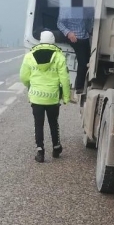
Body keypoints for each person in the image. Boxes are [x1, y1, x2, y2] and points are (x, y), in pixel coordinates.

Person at [20, 30, 71, 163]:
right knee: (53, 123)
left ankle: (40, 151)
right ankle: (56, 147)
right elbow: (64, 79)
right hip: (52, 97)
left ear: (40, 40)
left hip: (36, 97)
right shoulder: (59, 56)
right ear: (53, 41)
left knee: (38, 124)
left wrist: (30, 86)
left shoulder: (29, 56)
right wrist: (66, 97)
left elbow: (23, 77)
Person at [57, 0, 94, 95]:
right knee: (83, 62)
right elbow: (60, 23)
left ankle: (87, 87)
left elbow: (90, 18)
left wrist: (89, 31)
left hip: (84, 36)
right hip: (74, 36)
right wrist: (68, 33)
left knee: (91, 61)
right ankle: (79, 88)